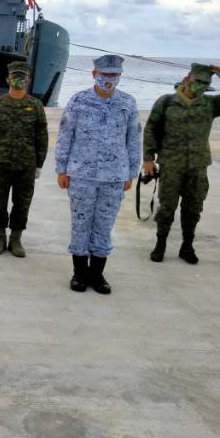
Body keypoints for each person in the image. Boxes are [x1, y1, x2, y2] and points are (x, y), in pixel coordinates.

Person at [55, 54, 141, 294]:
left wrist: (131, 172)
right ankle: (79, 274)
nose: (109, 79)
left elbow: (134, 140)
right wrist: (61, 169)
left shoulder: (128, 103)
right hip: (81, 174)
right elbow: (65, 136)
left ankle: (97, 274)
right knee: (81, 223)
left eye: (114, 75)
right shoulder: (79, 101)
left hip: (114, 177)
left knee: (104, 225)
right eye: (105, 74)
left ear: (120, 76)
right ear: (94, 74)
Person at [144, 63, 220, 264]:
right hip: (171, 165)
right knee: (167, 207)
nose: (200, 86)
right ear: (187, 78)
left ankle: (187, 245)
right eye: (197, 81)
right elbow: (151, 129)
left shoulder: (211, 104)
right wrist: (148, 159)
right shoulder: (167, 102)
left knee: (194, 207)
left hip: (198, 166)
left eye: (204, 84)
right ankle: (160, 243)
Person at [0, 61, 48, 257]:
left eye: (22, 77)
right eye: (15, 76)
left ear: (28, 80)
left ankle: (16, 239)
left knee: (22, 203)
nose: (18, 80)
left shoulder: (35, 106)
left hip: (26, 165)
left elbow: (42, 137)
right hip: (0, 164)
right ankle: (0, 237)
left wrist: (39, 164)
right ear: (8, 79)